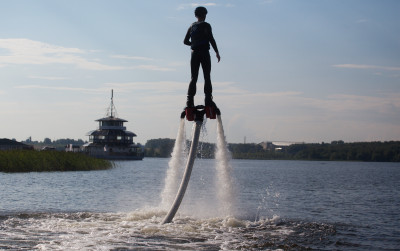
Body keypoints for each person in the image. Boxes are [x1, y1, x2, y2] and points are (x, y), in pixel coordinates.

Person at [184, 6, 220, 108]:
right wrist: (217, 52)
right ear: (204, 15)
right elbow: (211, 39)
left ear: (196, 15)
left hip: (194, 54)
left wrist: (194, 44)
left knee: (193, 77)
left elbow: (185, 41)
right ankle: (208, 100)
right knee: (207, 77)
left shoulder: (192, 26)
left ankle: (189, 101)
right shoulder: (206, 25)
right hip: (204, 53)